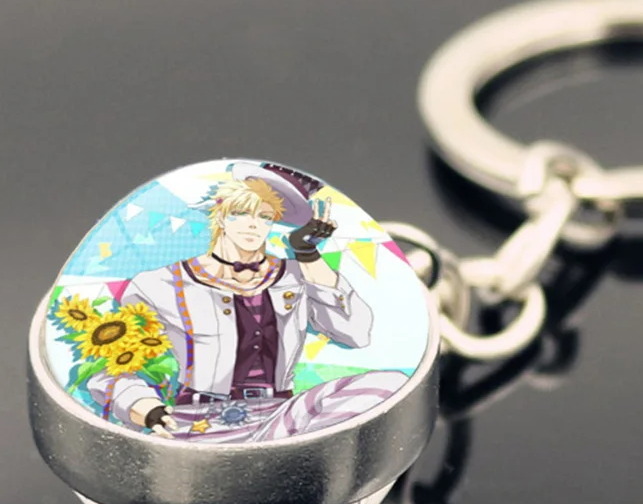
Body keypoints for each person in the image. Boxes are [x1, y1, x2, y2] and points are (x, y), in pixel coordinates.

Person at [86, 164, 407, 442]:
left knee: (390, 383)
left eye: (265, 216)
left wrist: (308, 254)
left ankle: (285, 458)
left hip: (283, 419)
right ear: (220, 215)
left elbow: (355, 334)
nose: (253, 224)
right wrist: (144, 408)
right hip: (199, 424)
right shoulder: (159, 283)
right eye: (240, 213)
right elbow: (108, 371)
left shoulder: (297, 274)